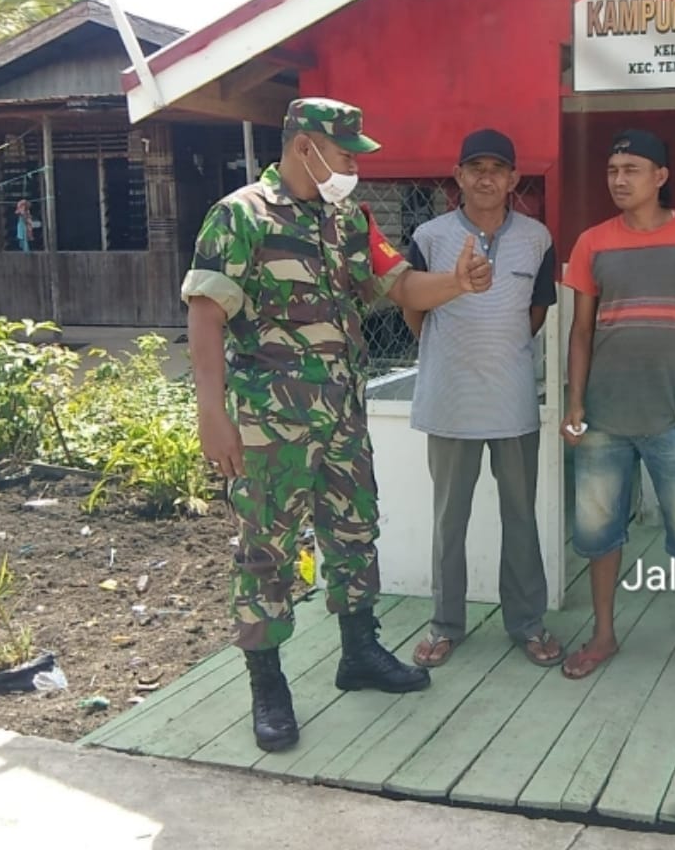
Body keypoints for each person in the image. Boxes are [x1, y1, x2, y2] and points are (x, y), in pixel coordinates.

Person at [182, 97, 494, 753]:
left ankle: (359, 653)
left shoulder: (346, 219)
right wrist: (212, 413)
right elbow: (206, 313)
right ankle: (268, 686)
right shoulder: (240, 215)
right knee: (265, 549)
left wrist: (458, 285)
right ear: (305, 147)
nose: (353, 166)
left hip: (341, 416)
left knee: (354, 530)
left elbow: (400, 287)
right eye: (346, 154)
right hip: (269, 424)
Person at [560, 128, 675, 694]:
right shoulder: (592, 242)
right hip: (604, 417)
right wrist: (573, 402)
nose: (619, 179)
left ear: (660, 176)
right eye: (613, 170)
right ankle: (604, 635)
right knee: (598, 534)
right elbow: (582, 330)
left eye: (632, 169)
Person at [402, 128, 563, 669]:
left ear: (515, 178)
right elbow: (412, 309)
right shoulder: (429, 235)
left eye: (498, 168)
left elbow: (535, 314)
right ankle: (445, 625)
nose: (487, 177)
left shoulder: (538, 237)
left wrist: (502, 348)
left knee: (521, 515)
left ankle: (528, 624)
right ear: (459, 175)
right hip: (449, 400)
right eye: (476, 167)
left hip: (512, 401)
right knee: (450, 519)